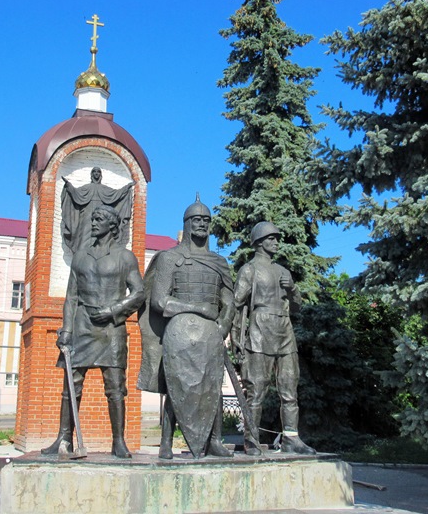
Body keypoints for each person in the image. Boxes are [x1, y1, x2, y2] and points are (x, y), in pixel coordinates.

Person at [42, 204, 144, 458]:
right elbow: (71, 297)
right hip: (82, 326)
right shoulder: (81, 256)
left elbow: (140, 292)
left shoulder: (125, 257)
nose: (94, 222)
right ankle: (63, 438)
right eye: (93, 218)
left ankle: (118, 441)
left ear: (112, 225)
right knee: (71, 385)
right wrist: (66, 329)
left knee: (115, 387)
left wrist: (113, 310)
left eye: (99, 218)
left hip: (112, 329)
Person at [141, 195, 236, 459]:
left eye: (206, 220)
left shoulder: (219, 262)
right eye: (196, 220)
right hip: (179, 333)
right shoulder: (170, 258)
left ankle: (215, 441)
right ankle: (166, 443)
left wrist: (223, 326)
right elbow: (159, 301)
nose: (201, 225)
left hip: (211, 335)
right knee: (175, 386)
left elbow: (229, 300)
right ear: (186, 223)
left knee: (213, 386)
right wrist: (197, 308)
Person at [232, 221, 316, 456]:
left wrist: (294, 290)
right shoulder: (249, 270)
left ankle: (291, 438)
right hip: (260, 331)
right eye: (271, 238)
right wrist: (235, 337)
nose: (276, 242)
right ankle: (251, 439)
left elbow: (297, 307)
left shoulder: (283, 271)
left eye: (277, 238)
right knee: (256, 391)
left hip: (284, 331)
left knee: (289, 389)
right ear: (259, 242)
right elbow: (237, 305)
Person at [61, 166, 134, 253]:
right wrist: (68, 185)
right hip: (86, 217)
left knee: (100, 236)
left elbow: (116, 195)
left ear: (100, 175)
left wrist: (126, 188)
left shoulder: (105, 189)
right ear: (91, 174)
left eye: (98, 172)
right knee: (83, 239)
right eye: (94, 172)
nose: (96, 173)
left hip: (100, 217)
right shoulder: (86, 188)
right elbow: (76, 194)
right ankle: (81, 257)